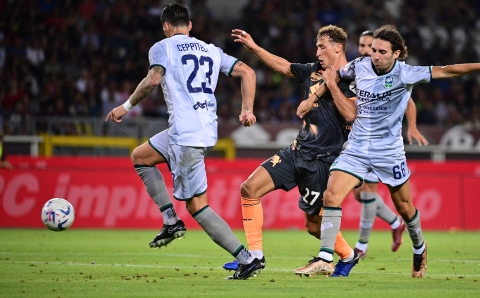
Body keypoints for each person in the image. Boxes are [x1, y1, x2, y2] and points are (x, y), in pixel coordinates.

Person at [294, 24, 480, 278]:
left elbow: (447, 71)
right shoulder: (358, 65)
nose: (375, 56)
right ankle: (324, 257)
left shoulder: (406, 74)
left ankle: (420, 246)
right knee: (331, 195)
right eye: (373, 50)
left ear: (396, 54)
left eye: (382, 52)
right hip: (357, 147)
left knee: (406, 208)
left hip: (389, 152)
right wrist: (312, 98)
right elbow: (335, 77)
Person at [106, 3, 262, 280]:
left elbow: (153, 79)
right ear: (189, 26)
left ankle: (246, 259)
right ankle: (170, 220)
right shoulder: (211, 50)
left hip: (186, 136)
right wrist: (247, 109)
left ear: (166, 26)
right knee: (140, 157)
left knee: (197, 206)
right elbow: (248, 72)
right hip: (198, 128)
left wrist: (125, 106)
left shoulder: (162, 47)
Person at [223, 25, 360, 277]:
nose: (317, 51)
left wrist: (331, 86)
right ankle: (255, 256)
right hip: (295, 151)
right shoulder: (312, 70)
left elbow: (351, 113)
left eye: (322, 46)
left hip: (322, 161)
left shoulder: (353, 78)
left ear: (338, 47)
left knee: (313, 225)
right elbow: (284, 66)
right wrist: (253, 47)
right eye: (317, 46)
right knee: (249, 188)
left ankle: (349, 256)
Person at [351, 30, 429, 260]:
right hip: (356, 138)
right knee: (359, 194)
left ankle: (361, 245)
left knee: (367, 192)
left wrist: (412, 126)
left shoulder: (393, 73)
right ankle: (395, 222)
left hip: (381, 143)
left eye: (372, 46)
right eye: (364, 46)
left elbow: (409, 101)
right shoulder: (359, 68)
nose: (367, 50)